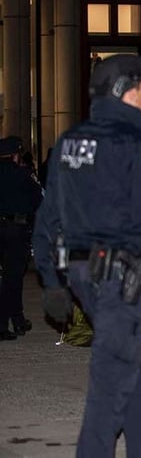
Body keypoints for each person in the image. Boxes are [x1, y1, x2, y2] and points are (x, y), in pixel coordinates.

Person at [32, 54, 141, 457]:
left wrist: (49, 279)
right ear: (124, 90)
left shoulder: (69, 142)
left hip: (81, 273)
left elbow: (48, 215)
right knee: (111, 380)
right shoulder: (139, 143)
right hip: (121, 278)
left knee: (130, 365)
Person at [0, 136, 42, 340]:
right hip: (17, 230)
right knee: (13, 277)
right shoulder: (24, 175)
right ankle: (13, 320)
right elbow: (39, 200)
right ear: (16, 155)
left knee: (4, 278)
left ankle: (14, 320)